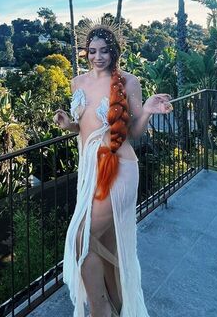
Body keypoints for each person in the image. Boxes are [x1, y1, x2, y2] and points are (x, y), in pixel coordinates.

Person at [54, 23, 173, 317]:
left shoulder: (129, 82)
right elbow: (85, 126)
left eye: (105, 51)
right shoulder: (77, 82)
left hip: (119, 169)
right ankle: (120, 308)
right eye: (93, 51)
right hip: (90, 170)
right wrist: (69, 125)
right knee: (105, 246)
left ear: (114, 52)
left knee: (81, 238)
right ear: (86, 52)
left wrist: (147, 111)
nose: (98, 57)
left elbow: (134, 133)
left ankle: (100, 309)